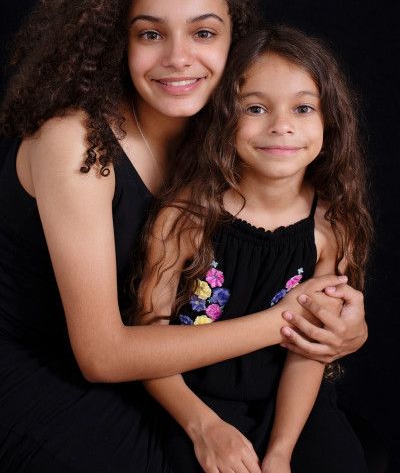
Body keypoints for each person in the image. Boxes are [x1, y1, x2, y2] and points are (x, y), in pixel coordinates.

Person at [0, 0, 367, 472]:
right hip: (44, 365)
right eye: (151, 34)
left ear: (233, 40)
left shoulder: (232, 129)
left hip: (169, 366)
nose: (178, 58)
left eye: (203, 33)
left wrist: (343, 330)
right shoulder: (74, 141)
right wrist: (285, 322)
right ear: (116, 40)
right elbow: (101, 354)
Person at [137, 26, 373, 473]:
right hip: (189, 401)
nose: (281, 125)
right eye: (256, 108)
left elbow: (310, 350)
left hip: (290, 402)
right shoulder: (185, 219)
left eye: (303, 108)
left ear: (330, 120)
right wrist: (205, 427)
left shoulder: (331, 229)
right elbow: (147, 346)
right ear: (225, 118)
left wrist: (281, 451)